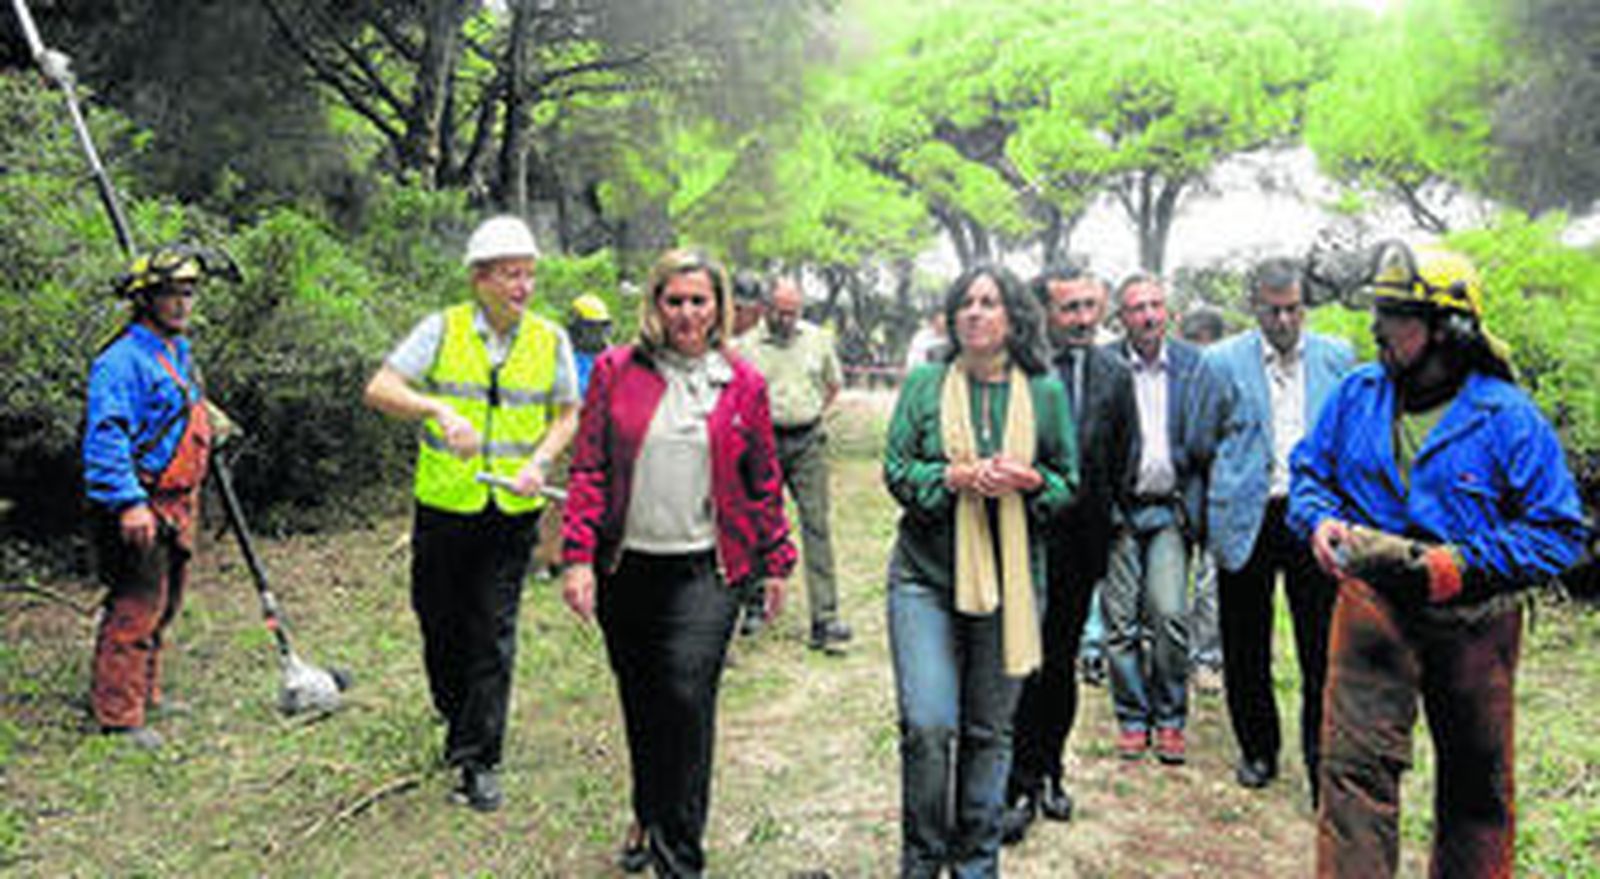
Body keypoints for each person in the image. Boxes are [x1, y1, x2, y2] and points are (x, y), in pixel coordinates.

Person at [1290, 243, 1586, 878]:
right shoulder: (1357, 394)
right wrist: (1318, 520)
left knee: (1476, 789)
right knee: (1353, 779)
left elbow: (1559, 533)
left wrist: (1465, 564)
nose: (1377, 328)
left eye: (1396, 315)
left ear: (1447, 330)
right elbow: (1310, 471)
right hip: (1372, 608)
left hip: (1474, 619)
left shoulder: (1507, 419)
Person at [560, 248, 796, 878]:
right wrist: (577, 557)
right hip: (627, 569)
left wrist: (777, 559)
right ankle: (648, 809)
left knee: (687, 699)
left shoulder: (743, 382)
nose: (688, 312)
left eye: (700, 300)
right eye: (676, 300)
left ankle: (679, 861)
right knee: (643, 699)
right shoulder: (614, 370)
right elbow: (589, 468)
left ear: (718, 306)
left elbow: (763, 478)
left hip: (707, 572)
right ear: (656, 306)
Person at [363, 214, 580, 812]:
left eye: (529, 274)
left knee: (493, 628)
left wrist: (540, 461)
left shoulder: (550, 339)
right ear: (479, 278)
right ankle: (457, 714)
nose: (524, 286)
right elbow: (380, 387)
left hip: (511, 508)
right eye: (511, 274)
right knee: (439, 621)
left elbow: (568, 413)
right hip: (444, 505)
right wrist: (434, 409)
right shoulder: (441, 329)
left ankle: (480, 759)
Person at [883, 263, 1078, 877]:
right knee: (929, 725)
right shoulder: (924, 384)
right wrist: (950, 477)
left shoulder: (1043, 391)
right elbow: (896, 468)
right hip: (924, 578)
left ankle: (976, 864)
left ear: (1014, 316)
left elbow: (1066, 482)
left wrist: (1029, 481)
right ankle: (923, 860)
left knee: (990, 732)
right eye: (965, 302)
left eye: (989, 302)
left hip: (1015, 584)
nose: (974, 312)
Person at [1192, 258, 1354, 800]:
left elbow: (1350, 440)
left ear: (1303, 306)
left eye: (1292, 309)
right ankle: (1258, 749)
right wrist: (1206, 517)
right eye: (1272, 309)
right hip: (1247, 514)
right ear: (1254, 306)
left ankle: (1320, 762)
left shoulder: (1337, 357)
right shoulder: (1219, 362)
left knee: (1320, 647)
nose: (1284, 320)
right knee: (1245, 642)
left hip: (1314, 516)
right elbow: (1200, 442)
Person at [83, 244, 240, 751]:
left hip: (178, 503)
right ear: (146, 300)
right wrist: (127, 502)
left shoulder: (175, 351)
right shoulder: (119, 361)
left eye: (189, 293)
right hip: (141, 505)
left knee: (167, 603)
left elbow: (177, 401)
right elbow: (106, 437)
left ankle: (146, 693)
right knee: (135, 606)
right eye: (171, 294)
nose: (183, 304)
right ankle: (119, 716)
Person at [1001, 265, 1136, 843]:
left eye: (1089, 306)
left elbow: (1124, 452)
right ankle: (1011, 780)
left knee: (1058, 663)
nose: (1083, 320)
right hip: (1020, 536)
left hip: (1081, 545)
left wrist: (1112, 522)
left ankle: (1049, 771)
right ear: (1044, 314)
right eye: (1069, 309)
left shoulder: (1114, 372)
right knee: (1015, 662)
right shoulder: (1017, 371)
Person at [1101, 272, 1209, 765]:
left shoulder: (1192, 365)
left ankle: (1169, 716)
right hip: (1120, 512)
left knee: (1168, 614)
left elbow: (1209, 442)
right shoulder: (1106, 366)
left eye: (1155, 305)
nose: (1147, 315)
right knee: (1120, 622)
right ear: (1121, 318)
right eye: (1136, 308)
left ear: (1169, 312)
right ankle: (1131, 716)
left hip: (1170, 511)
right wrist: (1104, 510)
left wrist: (1196, 513)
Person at [740, 276, 853, 651]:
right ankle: (755, 605)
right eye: (781, 313)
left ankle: (826, 617)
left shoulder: (817, 340)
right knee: (759, 523)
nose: (788, 320)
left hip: (807, 441)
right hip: (763, 442)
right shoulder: (745, 346)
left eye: (794, 313)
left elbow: (833, 385)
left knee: (816, 525)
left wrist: (815, 415)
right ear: (766, 309)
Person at [1178, 305, 1229, 694]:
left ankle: (1206, 658)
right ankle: (1196, 657)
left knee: (1210, 580)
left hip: (1220, 494)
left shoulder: (1222, 374)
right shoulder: (1179, 373)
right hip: (1185, 492)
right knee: (1185, 583)